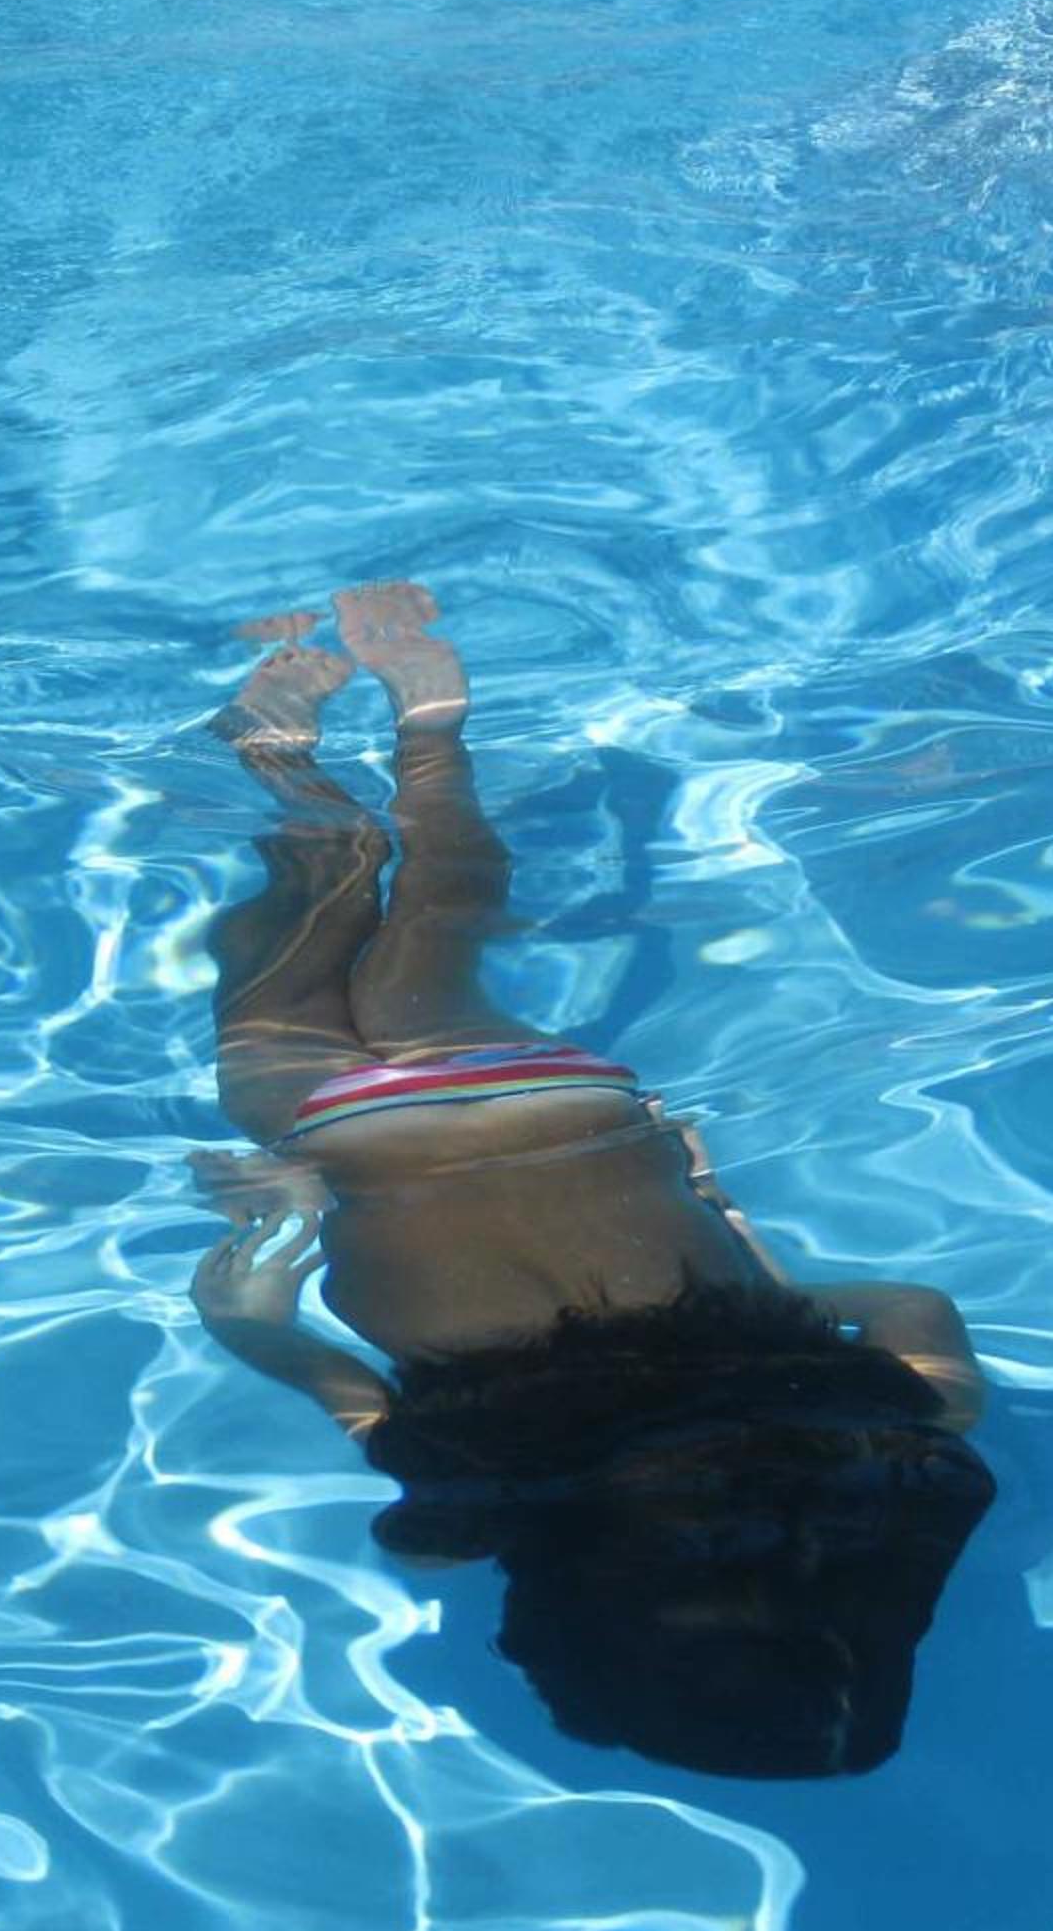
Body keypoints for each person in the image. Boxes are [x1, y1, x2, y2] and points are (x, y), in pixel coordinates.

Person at [190, 580, 995, 1778]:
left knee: (440, 915)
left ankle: (429, 724)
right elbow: (316, 1366)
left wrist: (759, 1289)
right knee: (297, 927)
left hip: (561, 1107)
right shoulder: (465, 1510)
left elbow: (914, 1307)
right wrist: (253, 1295)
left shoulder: (880, 1435)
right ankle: (287, 764)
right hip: (351, 1138)